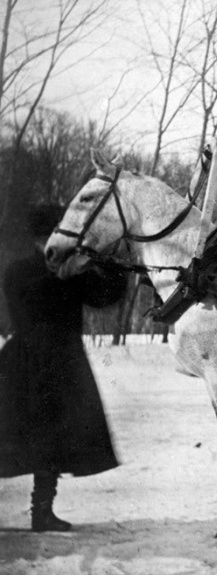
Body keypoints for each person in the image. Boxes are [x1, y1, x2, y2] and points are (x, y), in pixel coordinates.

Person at [0, 205, 127, 532]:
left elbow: (105, 296)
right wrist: (69, 271)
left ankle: (42, 512)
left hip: (62, 365)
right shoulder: (21, 270)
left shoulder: (68, 271)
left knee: (53, 443)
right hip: (28, 363)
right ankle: (41, 513)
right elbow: (31, 297)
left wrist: (106, 264)